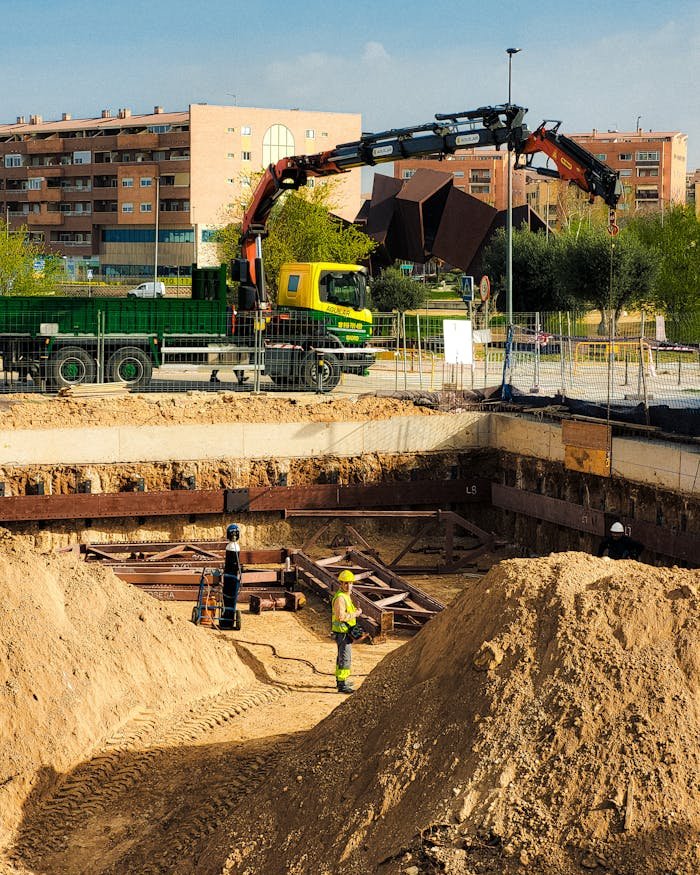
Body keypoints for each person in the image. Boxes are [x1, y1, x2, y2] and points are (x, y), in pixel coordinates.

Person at [331, 570, 363, 694]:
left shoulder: (346, 596)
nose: (348, 586)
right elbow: (340, 616)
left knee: (342, 657)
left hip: (346, 631)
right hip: (342, 632)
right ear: (341, 584)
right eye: (346, 583)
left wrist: (354, 610)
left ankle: (341, 680)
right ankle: (342, 684)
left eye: (350, 583)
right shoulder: (340, 598)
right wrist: (356, 613)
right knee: (345, 658)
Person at [220, 523, 242, 629]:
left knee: (228, 598)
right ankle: (227, 621)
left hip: (230, 576)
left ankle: (226, 621)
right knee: (229, 598)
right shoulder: (234, 546)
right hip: (231, 576)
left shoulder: (231, 546)